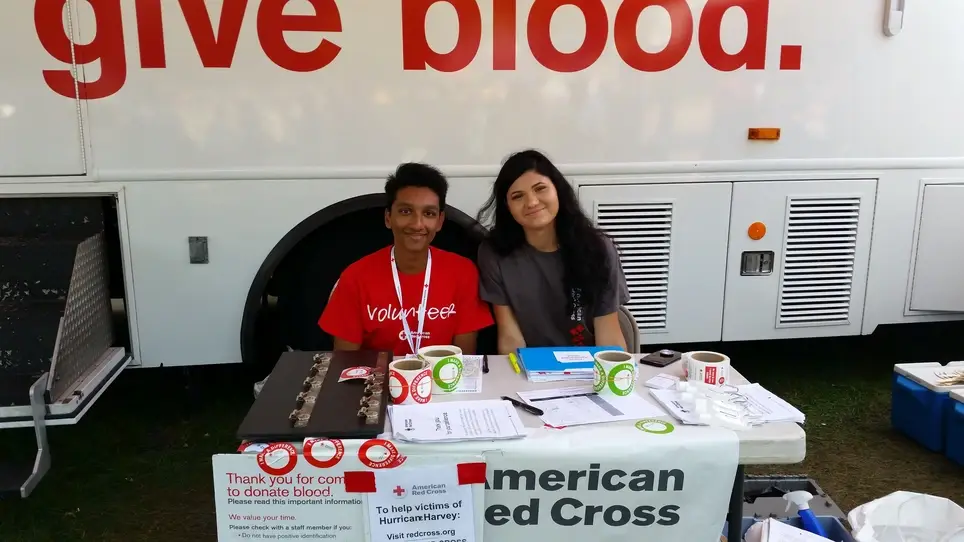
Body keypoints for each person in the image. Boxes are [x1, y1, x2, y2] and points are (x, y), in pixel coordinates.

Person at [319, 162, 494, 356]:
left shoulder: (463, 272)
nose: (417, 224)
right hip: (379, 383)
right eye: (405, 211)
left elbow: (463, 359)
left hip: (442, 381)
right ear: (388, 218)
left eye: (428, 213)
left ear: (439, 221)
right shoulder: (355, 277)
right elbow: (345, 364)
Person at [476, 149, 631, 354]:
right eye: (517, 196)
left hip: (587, 367)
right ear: (508, 206)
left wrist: (612, 378)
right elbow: (510, 336)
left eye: (540, 189)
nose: (531, 202)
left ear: (557, 190)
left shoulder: (598, 248)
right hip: (529, 368)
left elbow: (608, 334)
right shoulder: (494, 253)